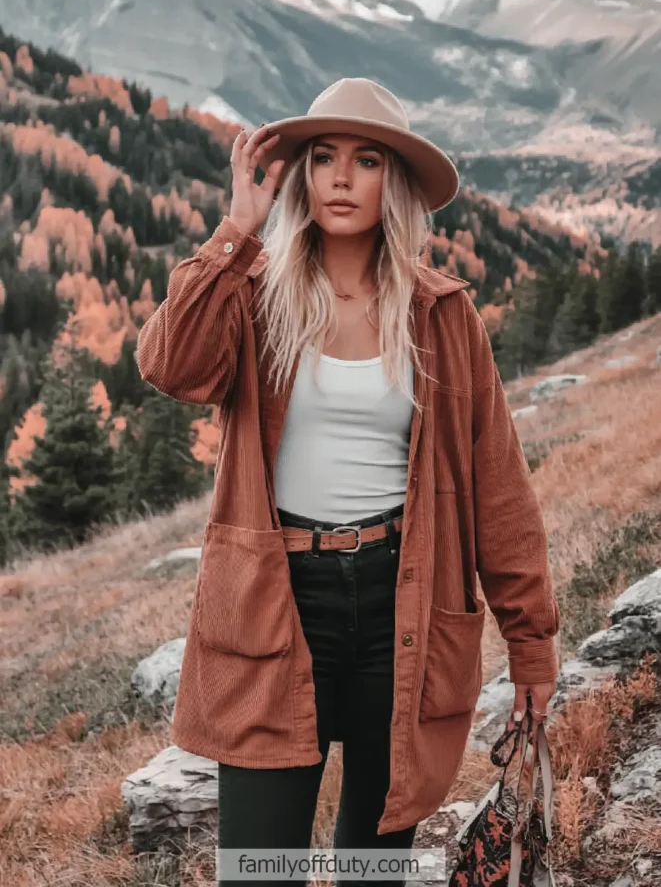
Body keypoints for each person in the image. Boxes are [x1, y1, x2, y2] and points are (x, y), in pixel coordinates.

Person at [136, 77, 560, 886]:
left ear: (391, 182)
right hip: (271, 600)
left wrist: (531, 644)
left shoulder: (440, 313)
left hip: (400, 601)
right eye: (322, 157)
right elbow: (169, 365)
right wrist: (236, 229)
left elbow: (497, 485)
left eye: (364, 160)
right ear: (299, 174)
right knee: (260, 868)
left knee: (372, 867)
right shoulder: (255, 295)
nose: (339, 177)